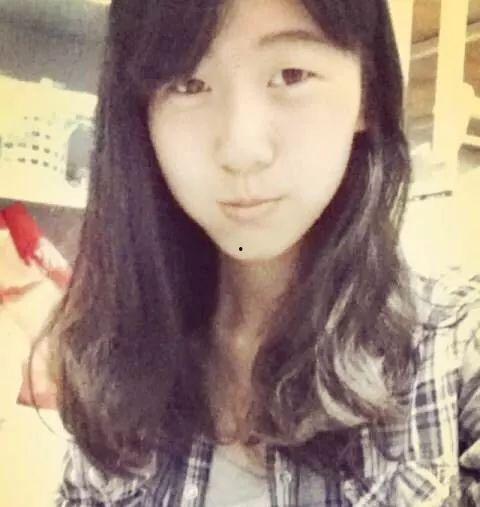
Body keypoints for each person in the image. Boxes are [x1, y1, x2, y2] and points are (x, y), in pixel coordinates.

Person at [34, 0, 479, 505]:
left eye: (291, 75)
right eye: (188, 84)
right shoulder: (120, 364)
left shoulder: (456, 353)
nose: (240, 150)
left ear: (368, 95)